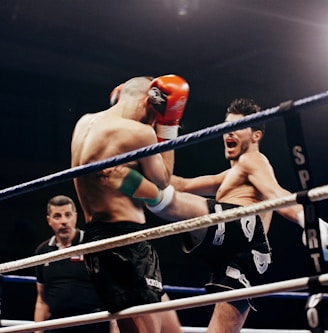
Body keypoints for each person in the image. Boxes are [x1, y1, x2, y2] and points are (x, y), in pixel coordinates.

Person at [107, 98, 328, 333]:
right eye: (226, 127)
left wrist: (311, 223)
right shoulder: (231, 174)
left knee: (173, 205)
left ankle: (136, 187)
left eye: (238, 127)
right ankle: (140, 187)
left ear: (256, 136)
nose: (228, 133)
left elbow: (276, 194)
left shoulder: (253, 160)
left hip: (246, 236)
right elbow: (182, 184)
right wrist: (142, 164)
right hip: (240, 255)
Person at [70, 75, 189, 333]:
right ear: (150, 102)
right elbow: (163, 179)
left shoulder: (84, 122)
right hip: (126, 242)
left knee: (171, 330)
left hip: (96, 239)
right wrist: (168, 124)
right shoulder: (140, 132)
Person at [34, 195, 119, 333]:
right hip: (58, 324)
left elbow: (111, 289)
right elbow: (42, 299)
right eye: (57, 216)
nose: (64, 221)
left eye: (68, 215)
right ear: (49, 220)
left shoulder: (92, 244)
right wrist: (37, 331)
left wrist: (114, 326)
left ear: (75, 217)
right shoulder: (42, 251)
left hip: (93, 322)